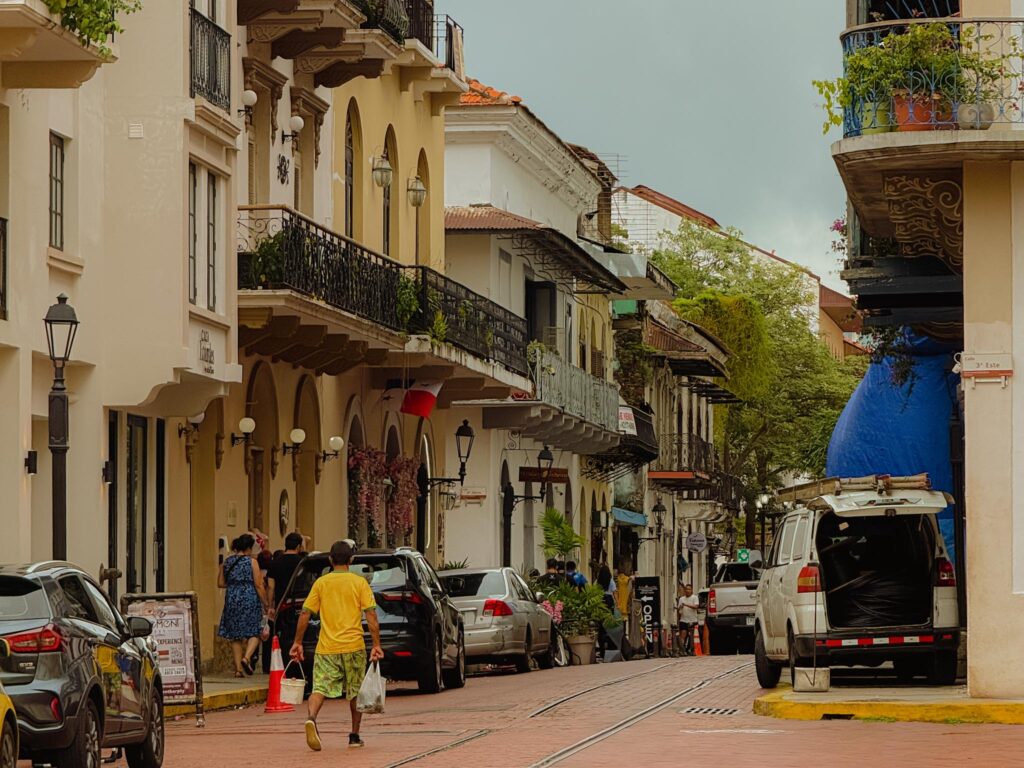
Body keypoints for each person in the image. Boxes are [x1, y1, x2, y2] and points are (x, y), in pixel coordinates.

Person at [290, 540, 384, 752]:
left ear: (331, 560)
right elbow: (371, 615)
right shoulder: (359, 583)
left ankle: (311, 718)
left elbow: (305, 613)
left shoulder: (321, 583)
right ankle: (354, 735)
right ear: (351, 560)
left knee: (319, 688)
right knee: (355, 692)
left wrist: (297, 642)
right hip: (354, 646)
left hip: (327, 647)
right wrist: (376, 644)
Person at [217, 534, 268, 677]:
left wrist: (234, 585)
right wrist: (265, 602)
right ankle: (246, 658)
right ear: (248, 548)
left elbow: (220, 583)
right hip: (249, 597)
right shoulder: (252, 562)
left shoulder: (227, 562)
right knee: (255, 630)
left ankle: (238, 669)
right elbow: (258, 584)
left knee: (235, 635)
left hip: (232, 598)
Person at [677, 584, 700, 656]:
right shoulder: (681, 599)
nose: (687, 591)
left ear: (691, 590)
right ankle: (682, 650)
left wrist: (686, 605)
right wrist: (680, 607)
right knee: (683, 634)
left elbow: (696, 606)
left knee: (692, 636)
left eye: (689, 589)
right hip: (683, 619)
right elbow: (679, 610)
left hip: (693, 620)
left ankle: (692, 649)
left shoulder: (695, 597)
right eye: (686, 589)